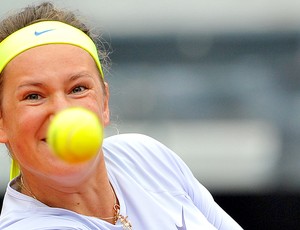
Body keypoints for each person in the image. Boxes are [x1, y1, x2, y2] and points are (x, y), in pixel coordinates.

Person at [0, 2, 243, 229]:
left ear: (104, 103)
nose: (63, 111)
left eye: (78, 89)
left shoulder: (147, 157)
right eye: (33, 96)